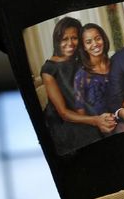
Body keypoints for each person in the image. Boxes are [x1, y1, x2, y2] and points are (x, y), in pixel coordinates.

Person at [40, 17, 115, 154]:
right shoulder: (49, 69)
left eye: (74, 38)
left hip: (87, 111)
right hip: (65, 121)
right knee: (95, 137)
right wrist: (96, 120)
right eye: (64, 39)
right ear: (57, 40)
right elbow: (63, 113)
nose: (70, 43)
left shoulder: (81, 60)